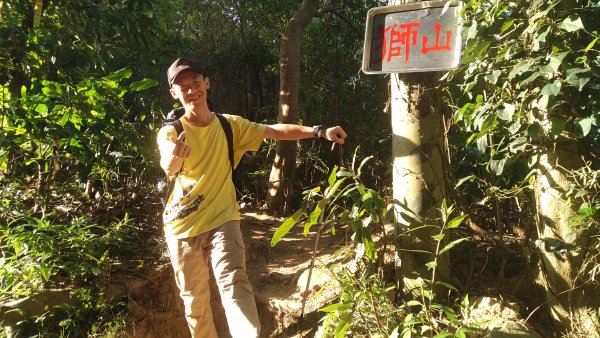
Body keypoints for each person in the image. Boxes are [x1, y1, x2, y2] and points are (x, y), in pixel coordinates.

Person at [157, 58, 347, 338]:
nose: (191, 90)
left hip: (223, 217)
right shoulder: (171, 132)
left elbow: (275, 131)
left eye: (195, 83)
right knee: (194, 300)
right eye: (183, 86)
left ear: (206, 83)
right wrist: (175, 158)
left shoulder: (229, 126)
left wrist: (318, 131)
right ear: (174, 93)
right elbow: (168, 165)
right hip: (182, 227)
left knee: (234, 282)